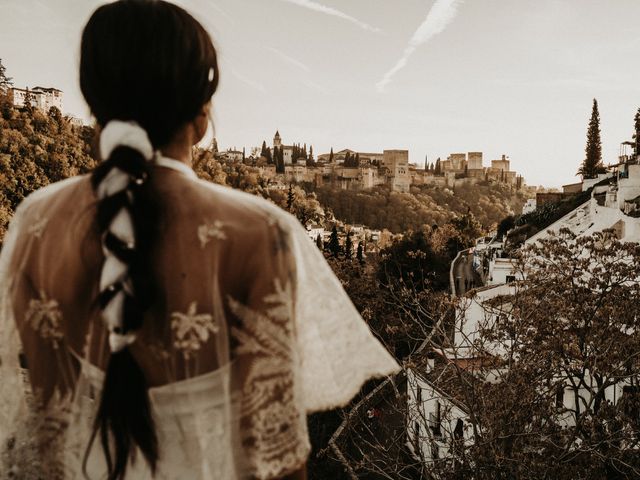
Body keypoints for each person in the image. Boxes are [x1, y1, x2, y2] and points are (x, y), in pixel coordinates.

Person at [0, 1, 399, 479]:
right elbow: (274, 457)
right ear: (202, 113)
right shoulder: (260, 234)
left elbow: (43, 427)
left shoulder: (38, 222)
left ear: (94, 103)